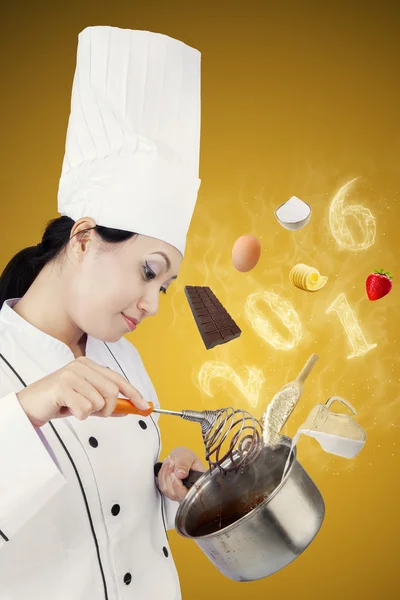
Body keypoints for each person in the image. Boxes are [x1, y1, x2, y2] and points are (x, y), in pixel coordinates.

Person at [0, 26, 205, 600]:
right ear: (85, 237)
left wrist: (166, 486)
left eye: (165, 286)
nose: (153, 303)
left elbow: (113, 525)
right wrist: (29, 409)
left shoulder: (124, 357)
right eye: (149, 271)